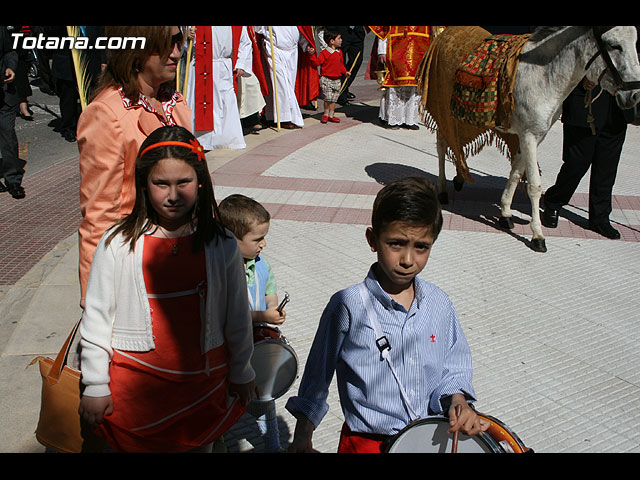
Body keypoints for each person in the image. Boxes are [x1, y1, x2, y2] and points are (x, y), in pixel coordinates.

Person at [78, 125, 256, 453]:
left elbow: (237, 316)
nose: (172, 195)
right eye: (161, 184)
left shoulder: (221, 243)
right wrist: (95, 384)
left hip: (202, 388)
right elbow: (97, 319)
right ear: (144, 184)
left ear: (200, 182)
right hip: (136, 394)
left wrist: (242, 369)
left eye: (183, 183)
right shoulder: (118, 244)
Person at [285, 176, 487, 453]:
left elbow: (454, 363)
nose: (407, 259)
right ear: (372, 239)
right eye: (396, 243)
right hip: (365, 442)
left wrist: (457, 400)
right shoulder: (348, 305)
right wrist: (302, 437)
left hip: (426, 439)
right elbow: (317, 376)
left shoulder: (439, 303)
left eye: (421, 247)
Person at [77, 26, 192, 307]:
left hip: (187, 258)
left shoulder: (174, 103)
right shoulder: (107, 113)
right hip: (139, 268)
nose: (176, 52)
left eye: (179, 42)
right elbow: (99, 214)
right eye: (166, 43)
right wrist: (96, 298)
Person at [218, 193, 287, 452]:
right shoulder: (222, 269)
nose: (264, 244)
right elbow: (226, 315)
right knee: (223, 403)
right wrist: (261, 317)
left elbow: (270, 288)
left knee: (264, 399)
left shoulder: (261, 264)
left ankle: (273, 446)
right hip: (229, 351)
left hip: (257, 347)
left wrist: (272, 307)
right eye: (257, 239)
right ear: (231, 239)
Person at [541, 78, 633, 239]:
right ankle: (553, 201)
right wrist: (583, 81)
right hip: (586, 105)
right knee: (576, 163)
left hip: (617, 111)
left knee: (606, 169)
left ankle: (600, 218)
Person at [185, 26, 253, 150]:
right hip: (200, 66)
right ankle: (201, 140)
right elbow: (184, 43)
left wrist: (241, 64)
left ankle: (227, 140)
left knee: (225, 104)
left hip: (224, 67)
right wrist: (187, 37)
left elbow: (245, 43)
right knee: (201, 104)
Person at [368, 26, 435, 130]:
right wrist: (382, 50)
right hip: (396, 49)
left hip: (420, 50)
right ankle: (393, 119)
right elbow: (383, 30)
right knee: (395, 85)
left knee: (414, 86)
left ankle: (410, 119)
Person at [254, 26, 316, 129]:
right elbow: (258, 29)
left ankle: (271, 115)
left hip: (292, 51)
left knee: (289, 84)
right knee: (281, 84)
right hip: (273, 49)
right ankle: (285, 117)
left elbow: (300, 30)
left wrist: (306, 44)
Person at [0, 26, 25, 199]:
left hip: (4, 91)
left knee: (8, 135)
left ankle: (13, 180)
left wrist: (11, 67)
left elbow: (10, 52)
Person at [318, 26, 367, 105]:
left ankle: (343, 87)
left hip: (356, 32)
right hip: (340, 31)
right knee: (339, 63)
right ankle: (341, 94)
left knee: (356, 61)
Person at [309, 29, 349, 124]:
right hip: (326, 79)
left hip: (337, 79)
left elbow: (341, 65)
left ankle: (331, 114)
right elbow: (317, 62)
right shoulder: (325, 53)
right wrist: (312, 55)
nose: (341, 40)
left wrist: (345, 72)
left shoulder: (339, 53)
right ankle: (325, 114)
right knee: (328, 98)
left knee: (334, 98)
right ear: (331, 41)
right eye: (339, 38)